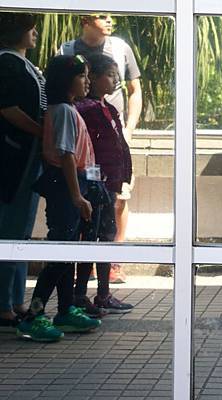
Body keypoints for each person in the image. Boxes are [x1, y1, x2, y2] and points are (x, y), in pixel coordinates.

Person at [16, 55, 103, 342]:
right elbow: (66, 155)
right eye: (82, 76)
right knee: (60, 251)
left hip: (73, 183)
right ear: (68, 81)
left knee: (68, 250)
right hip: (66, 186)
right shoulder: (64, 111)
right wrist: (78, 196)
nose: (87, 81)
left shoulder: (66, 109)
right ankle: (34, 314)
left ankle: (66, 310)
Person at [59, 14, 142, 284]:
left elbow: (135, 89)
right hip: (87, 152)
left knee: (118, 201)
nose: (110, 20)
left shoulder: (120, 48)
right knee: (91, 212)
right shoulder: (68, 50)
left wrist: (128, 129)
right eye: (102, 15)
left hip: (114, 138)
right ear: (85, 18)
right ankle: (83, 277)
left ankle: (113, 264)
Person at [74, 54, 134, 315]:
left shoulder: (108, 108)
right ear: (94, 78)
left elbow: (119, 144)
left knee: (106, 235)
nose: (115, 80)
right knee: (92, 237)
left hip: (110, 183)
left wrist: (123, 175)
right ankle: (80, 296)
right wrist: (95, 182)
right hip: (96, 185)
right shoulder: (86, 109)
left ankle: (102, 293)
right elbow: (88, 150)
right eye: (110, 74)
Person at [0, 13, 46, 331]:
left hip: (29, 156)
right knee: (10, 229)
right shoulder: (7, 63)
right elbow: (8, 107)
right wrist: (41, 132)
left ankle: (16, 300)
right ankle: (4, 304)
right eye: (29, 28)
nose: (34, 33)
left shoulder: (24, 63)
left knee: (22, 230)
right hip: (14, 158)